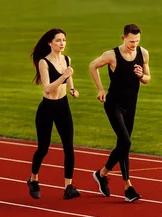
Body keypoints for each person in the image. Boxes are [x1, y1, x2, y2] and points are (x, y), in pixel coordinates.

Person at [89, 23, 151, 202]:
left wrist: (141, 75)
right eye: (131, 41)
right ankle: (128, 186)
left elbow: (148, 78)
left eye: (137, 41)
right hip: (113, 104)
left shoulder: (143, 53)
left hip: (131, 105)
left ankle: (102, 174)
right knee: (125, 141)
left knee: (124, 145)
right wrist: (100, 89)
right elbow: (93, 66)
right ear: (123, 38)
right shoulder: (112, 55)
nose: (134, 44)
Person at [27, 28, 81, 200]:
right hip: (47, 108)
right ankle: (33, 179)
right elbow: (48, 89)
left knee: (69, 148)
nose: (62, 43)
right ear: (50, 43)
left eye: (64, 40)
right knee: (43, 148)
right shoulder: (44, 62)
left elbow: (68, 76)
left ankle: (68, 186)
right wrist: (64, 75)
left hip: (63, 106)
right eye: (58, 40)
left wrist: (72, 88)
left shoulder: (66, 59)